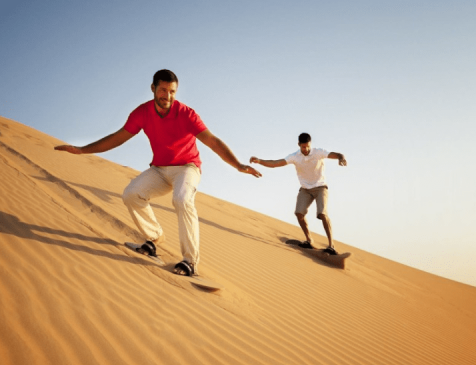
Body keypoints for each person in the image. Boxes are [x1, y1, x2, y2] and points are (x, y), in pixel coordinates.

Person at [55, 69, 262, 276]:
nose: (168, 96)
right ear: (153, 89)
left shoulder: (186, 114)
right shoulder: (142, 113)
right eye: (163, 90)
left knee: (182, 199)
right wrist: (82, 150)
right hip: (160, 169)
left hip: (187, 167)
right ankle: (153, 239)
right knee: (131, 194)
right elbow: (118, 138)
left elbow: (212, 141)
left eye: (172, 91)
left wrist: (238, 165)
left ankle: (190, 262)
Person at [250, 133, 346, 254]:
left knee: (322, 213)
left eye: (307, 146)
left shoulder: (318, 152)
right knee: (299, 213)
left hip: (321, 187)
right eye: (303, 147)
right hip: (305, 189)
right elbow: (275, 163)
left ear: (310, 144)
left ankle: (331, 245)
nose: (305, 149)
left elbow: (335, 154)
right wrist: (259, 161)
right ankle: (309, 240)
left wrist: (341, 157)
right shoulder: (295, 156)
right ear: (299, 145)